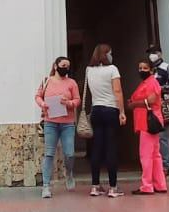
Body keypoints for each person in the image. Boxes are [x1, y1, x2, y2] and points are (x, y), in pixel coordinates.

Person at [35, 56, 82, 199]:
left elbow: (77, 100)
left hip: (67, 123)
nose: (65, 68)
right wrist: (42, 104)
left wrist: (69, 103)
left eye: (68, 66)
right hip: (50, 122)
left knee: (69, 153)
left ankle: (69, 173)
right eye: (63, 65)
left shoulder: (71, 83)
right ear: (56, 66)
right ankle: (46, 186)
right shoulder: (46, 81)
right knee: (49, 154)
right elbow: (38, 96)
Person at [84, 43, 127, 198]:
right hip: (110, 110)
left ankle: (95, 186)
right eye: (110, 52)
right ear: (106, 54)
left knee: (96, 148)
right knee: (111, 148)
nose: (111, 55)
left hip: (96, 110)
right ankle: (113, 187)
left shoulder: (89, 70)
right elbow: (117, 91)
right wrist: (122, 111)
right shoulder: (112, 69)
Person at [129, 59, 169, 195]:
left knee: (146, 155)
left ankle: (147, 185)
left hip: (148, 121)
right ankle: (160, 184)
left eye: (145, 68)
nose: (141, 70)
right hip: (150, 120)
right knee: (155, 155)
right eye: (140, 68)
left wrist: (135, 104)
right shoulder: (148, 82)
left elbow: (151, 100)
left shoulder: (151, 82)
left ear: (151, 70)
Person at [147, 45, 169, 175]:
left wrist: (160, 89)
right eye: (150, 53)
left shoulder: (166, 67)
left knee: (162, 136)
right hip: (153, 106)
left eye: (154, 52)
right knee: (159, 136)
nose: (151, 55)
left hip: (163, 105)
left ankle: (165, 164)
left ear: (160, 53)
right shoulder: (150, 70)